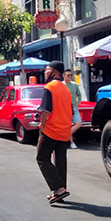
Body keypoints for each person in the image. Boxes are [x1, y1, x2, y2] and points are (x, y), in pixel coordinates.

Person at [36, 61, 73, 204]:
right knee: (60, 161)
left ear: (55, 72)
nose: (45, 72)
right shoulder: (66, 89)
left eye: (47, 70)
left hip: (51, 129)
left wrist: (42, 124)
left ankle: (59, 188)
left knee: (42, 158)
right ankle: (60, 191)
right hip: (64, 130)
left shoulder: (50, 87)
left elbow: (45, 110)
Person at [63, 69, 82, 149]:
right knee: (68, 125)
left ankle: (65, 136)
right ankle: (71, 142)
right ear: (63, 76)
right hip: (65, 107)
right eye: (68, 75)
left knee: (78, 123)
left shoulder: (74, 85)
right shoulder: (61, 85)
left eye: (71, 75)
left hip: (74, 106)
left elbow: (79, 94)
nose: (70, 77)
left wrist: (78, 103)